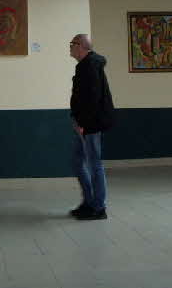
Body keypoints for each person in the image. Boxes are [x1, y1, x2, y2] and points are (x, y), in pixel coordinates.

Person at [68, 34, 115, 220]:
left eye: (72, 44)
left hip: (91, 125)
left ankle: (99, 207)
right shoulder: (84, 65)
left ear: (81, 46)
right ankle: (89, 202)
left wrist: (83, 124)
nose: (70, 47)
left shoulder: (90, 66)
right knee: (77, 162)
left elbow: (93, 99)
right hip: (84, 123)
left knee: (94, 164)